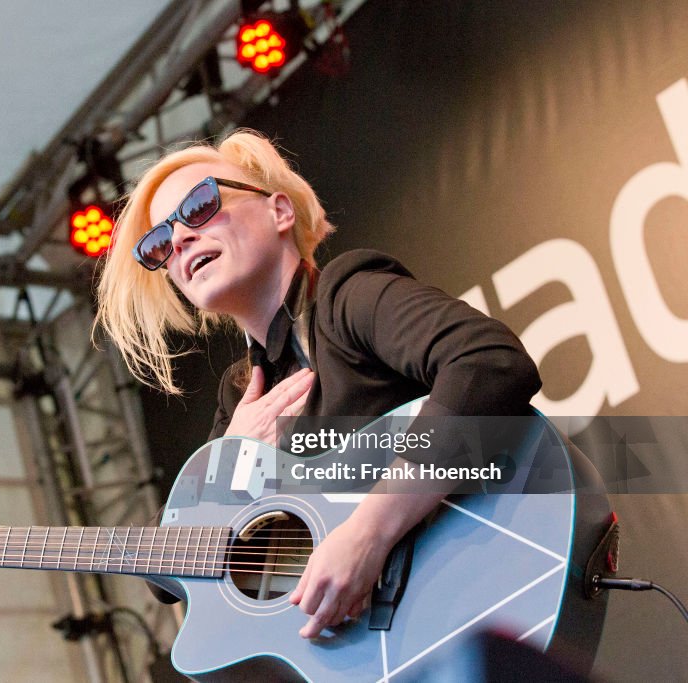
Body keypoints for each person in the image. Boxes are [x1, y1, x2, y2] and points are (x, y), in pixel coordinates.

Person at [94, 129, 541, 639]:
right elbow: (165, 570)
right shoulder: (244, 394)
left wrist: (368, 534)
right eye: (158, 243)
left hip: (480, 585)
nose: (178, 241)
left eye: (199, 205)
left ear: (279, 211)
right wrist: (227, 465)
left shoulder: (346, 297)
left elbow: (489, 363)